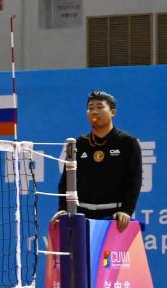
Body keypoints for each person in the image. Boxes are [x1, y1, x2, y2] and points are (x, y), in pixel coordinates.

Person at [53, 90, 142, 232]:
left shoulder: (127, 142)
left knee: (108, 249)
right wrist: (63, 209)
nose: (94, 111)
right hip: (81, 217)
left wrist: (126, 211)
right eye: (90, 108)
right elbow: (66, 181)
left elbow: (134, 180)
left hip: (114, 217)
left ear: (112, 112)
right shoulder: (78, 143)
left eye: (100, 107)